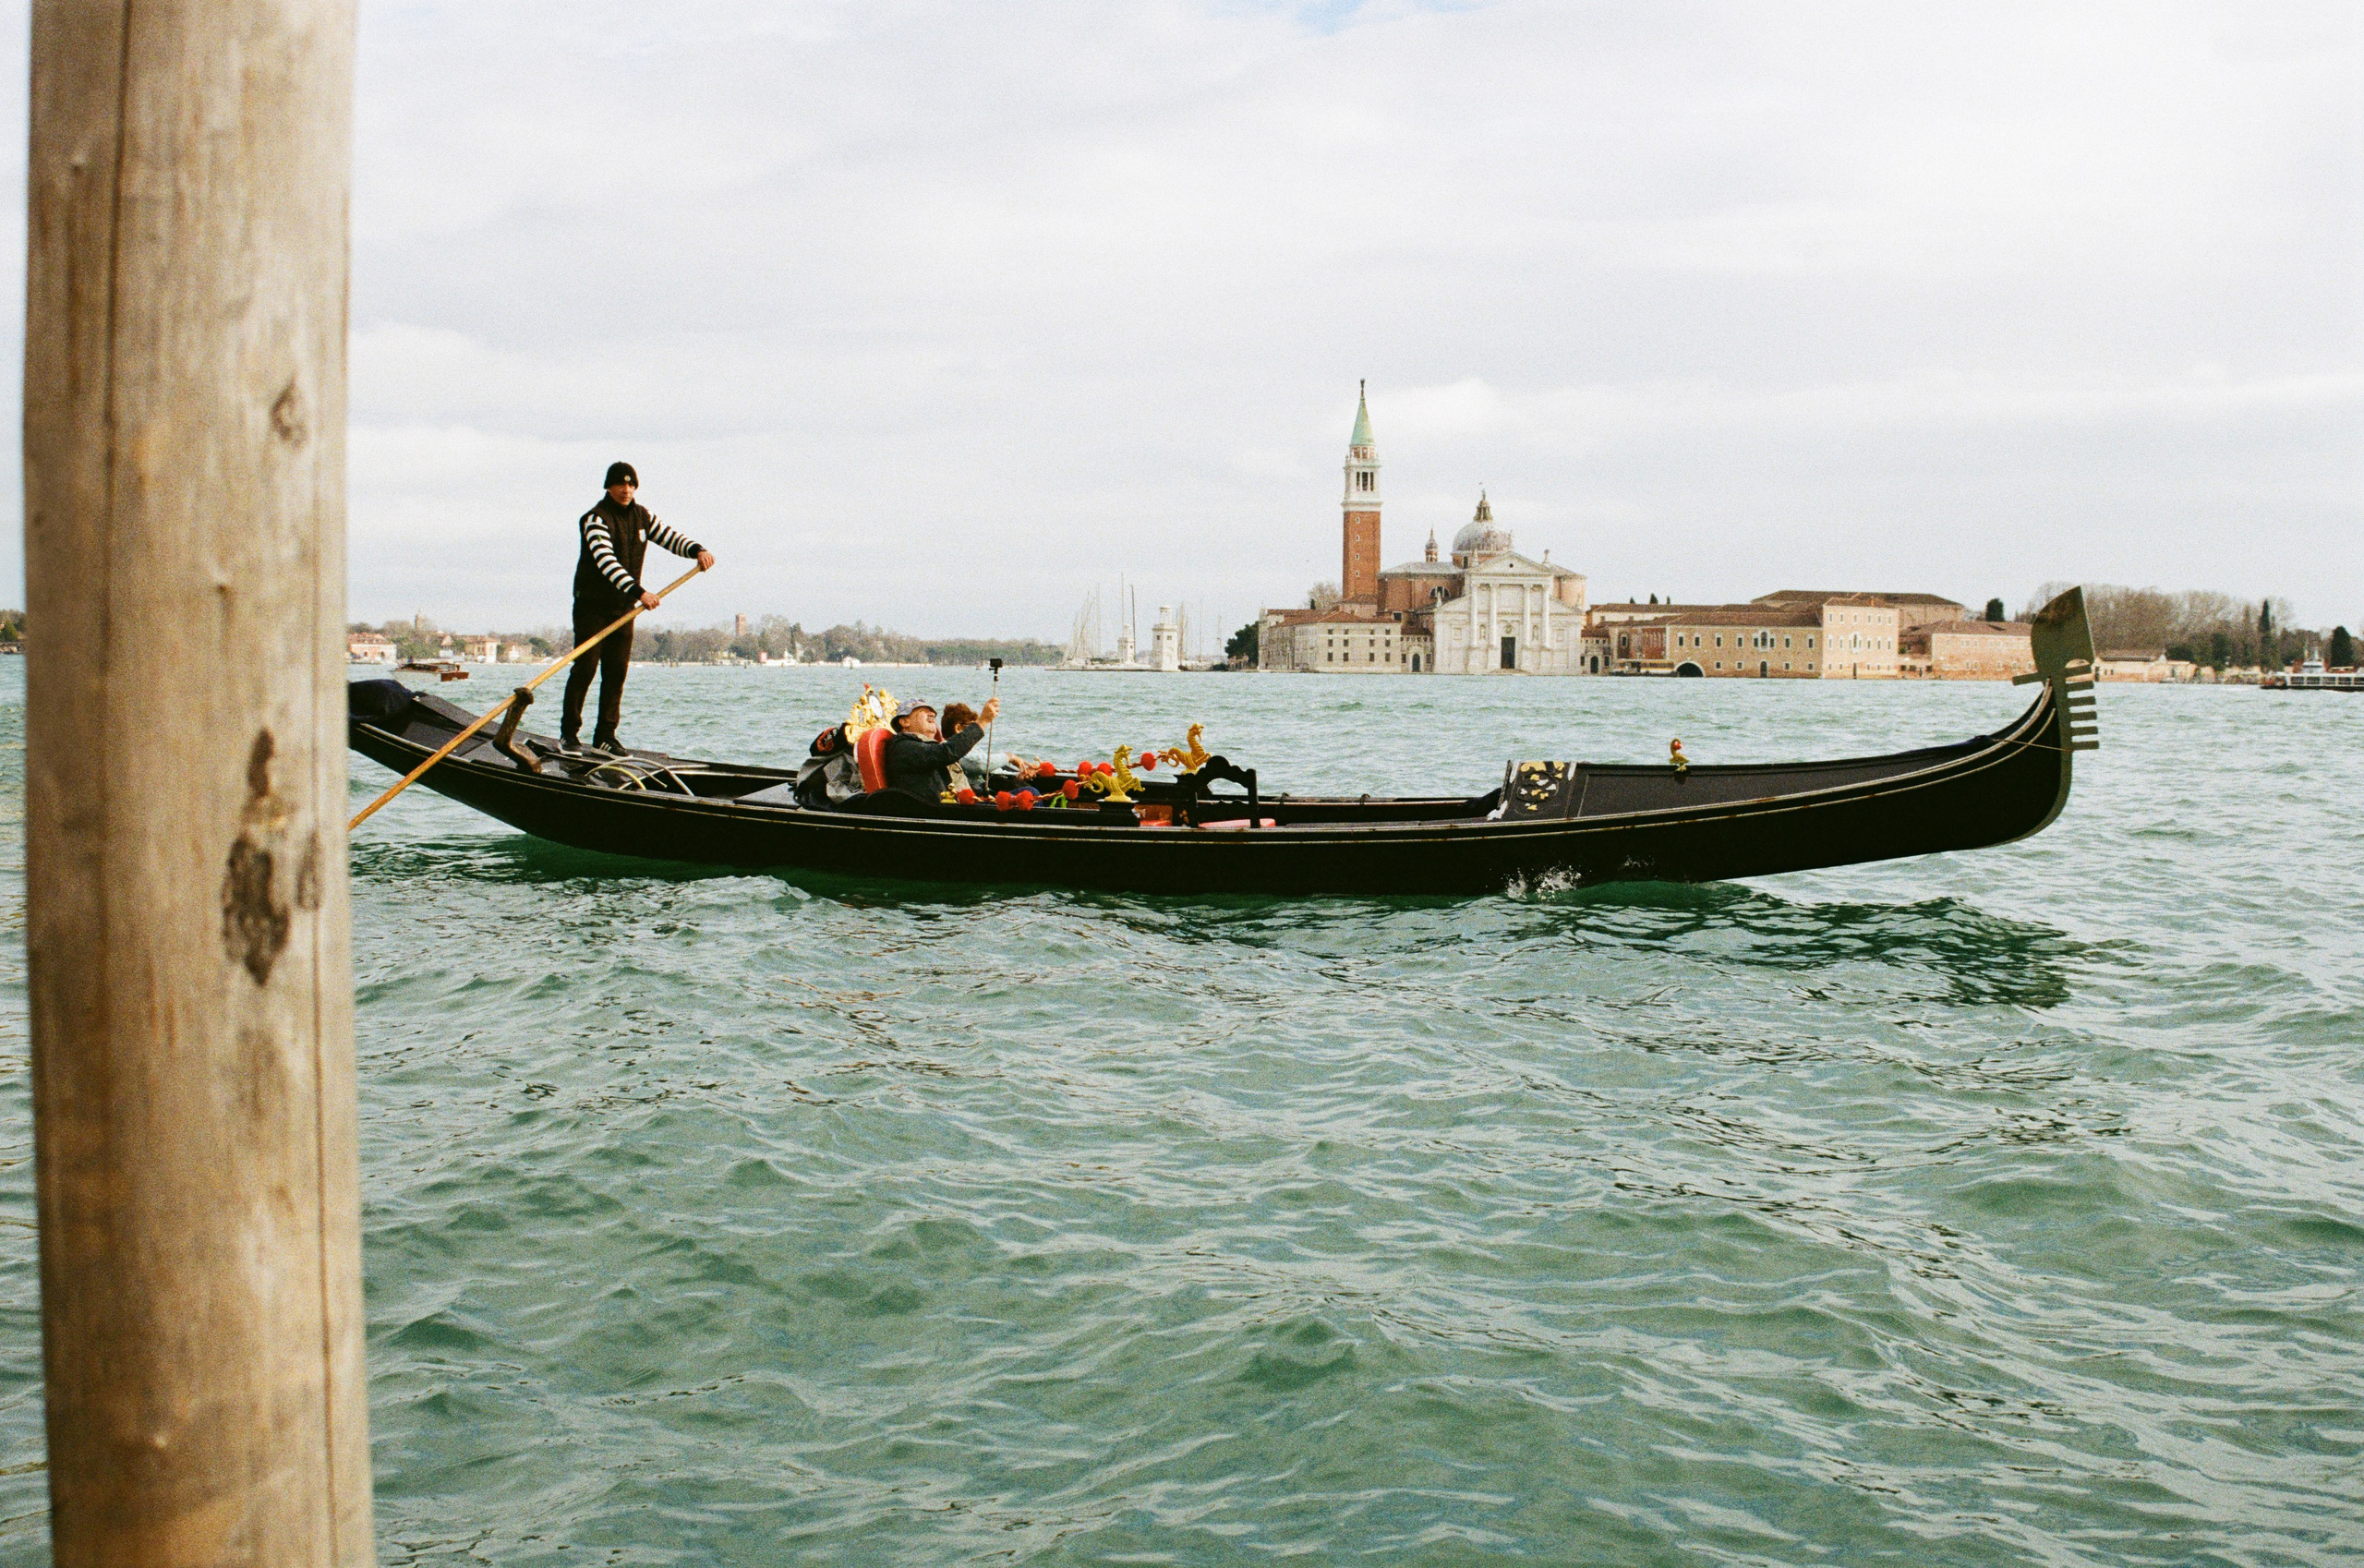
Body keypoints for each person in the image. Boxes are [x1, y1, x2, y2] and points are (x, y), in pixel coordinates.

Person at [561, 461, 715, 753]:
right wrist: (640, 592)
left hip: (623, 607)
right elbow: (607, 562)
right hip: (592, 607)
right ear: (609, 487)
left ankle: (605, 735)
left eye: (631, 485)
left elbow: (670, 538)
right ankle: (569, 734)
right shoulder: (594, 520)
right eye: (621, 484)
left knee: (616, 671)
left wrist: (697, 550)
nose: (626, 490)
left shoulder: (642, 517)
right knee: (586, 667)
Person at [880, 699, 999, 805]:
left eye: (933, 715)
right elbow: (946, 753)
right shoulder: (903, 746)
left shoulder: (925, 746)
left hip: (961, 807)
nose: (932, 714)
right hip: (939, 813)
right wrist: (982, 722)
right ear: (905, 722)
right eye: (922, 710)